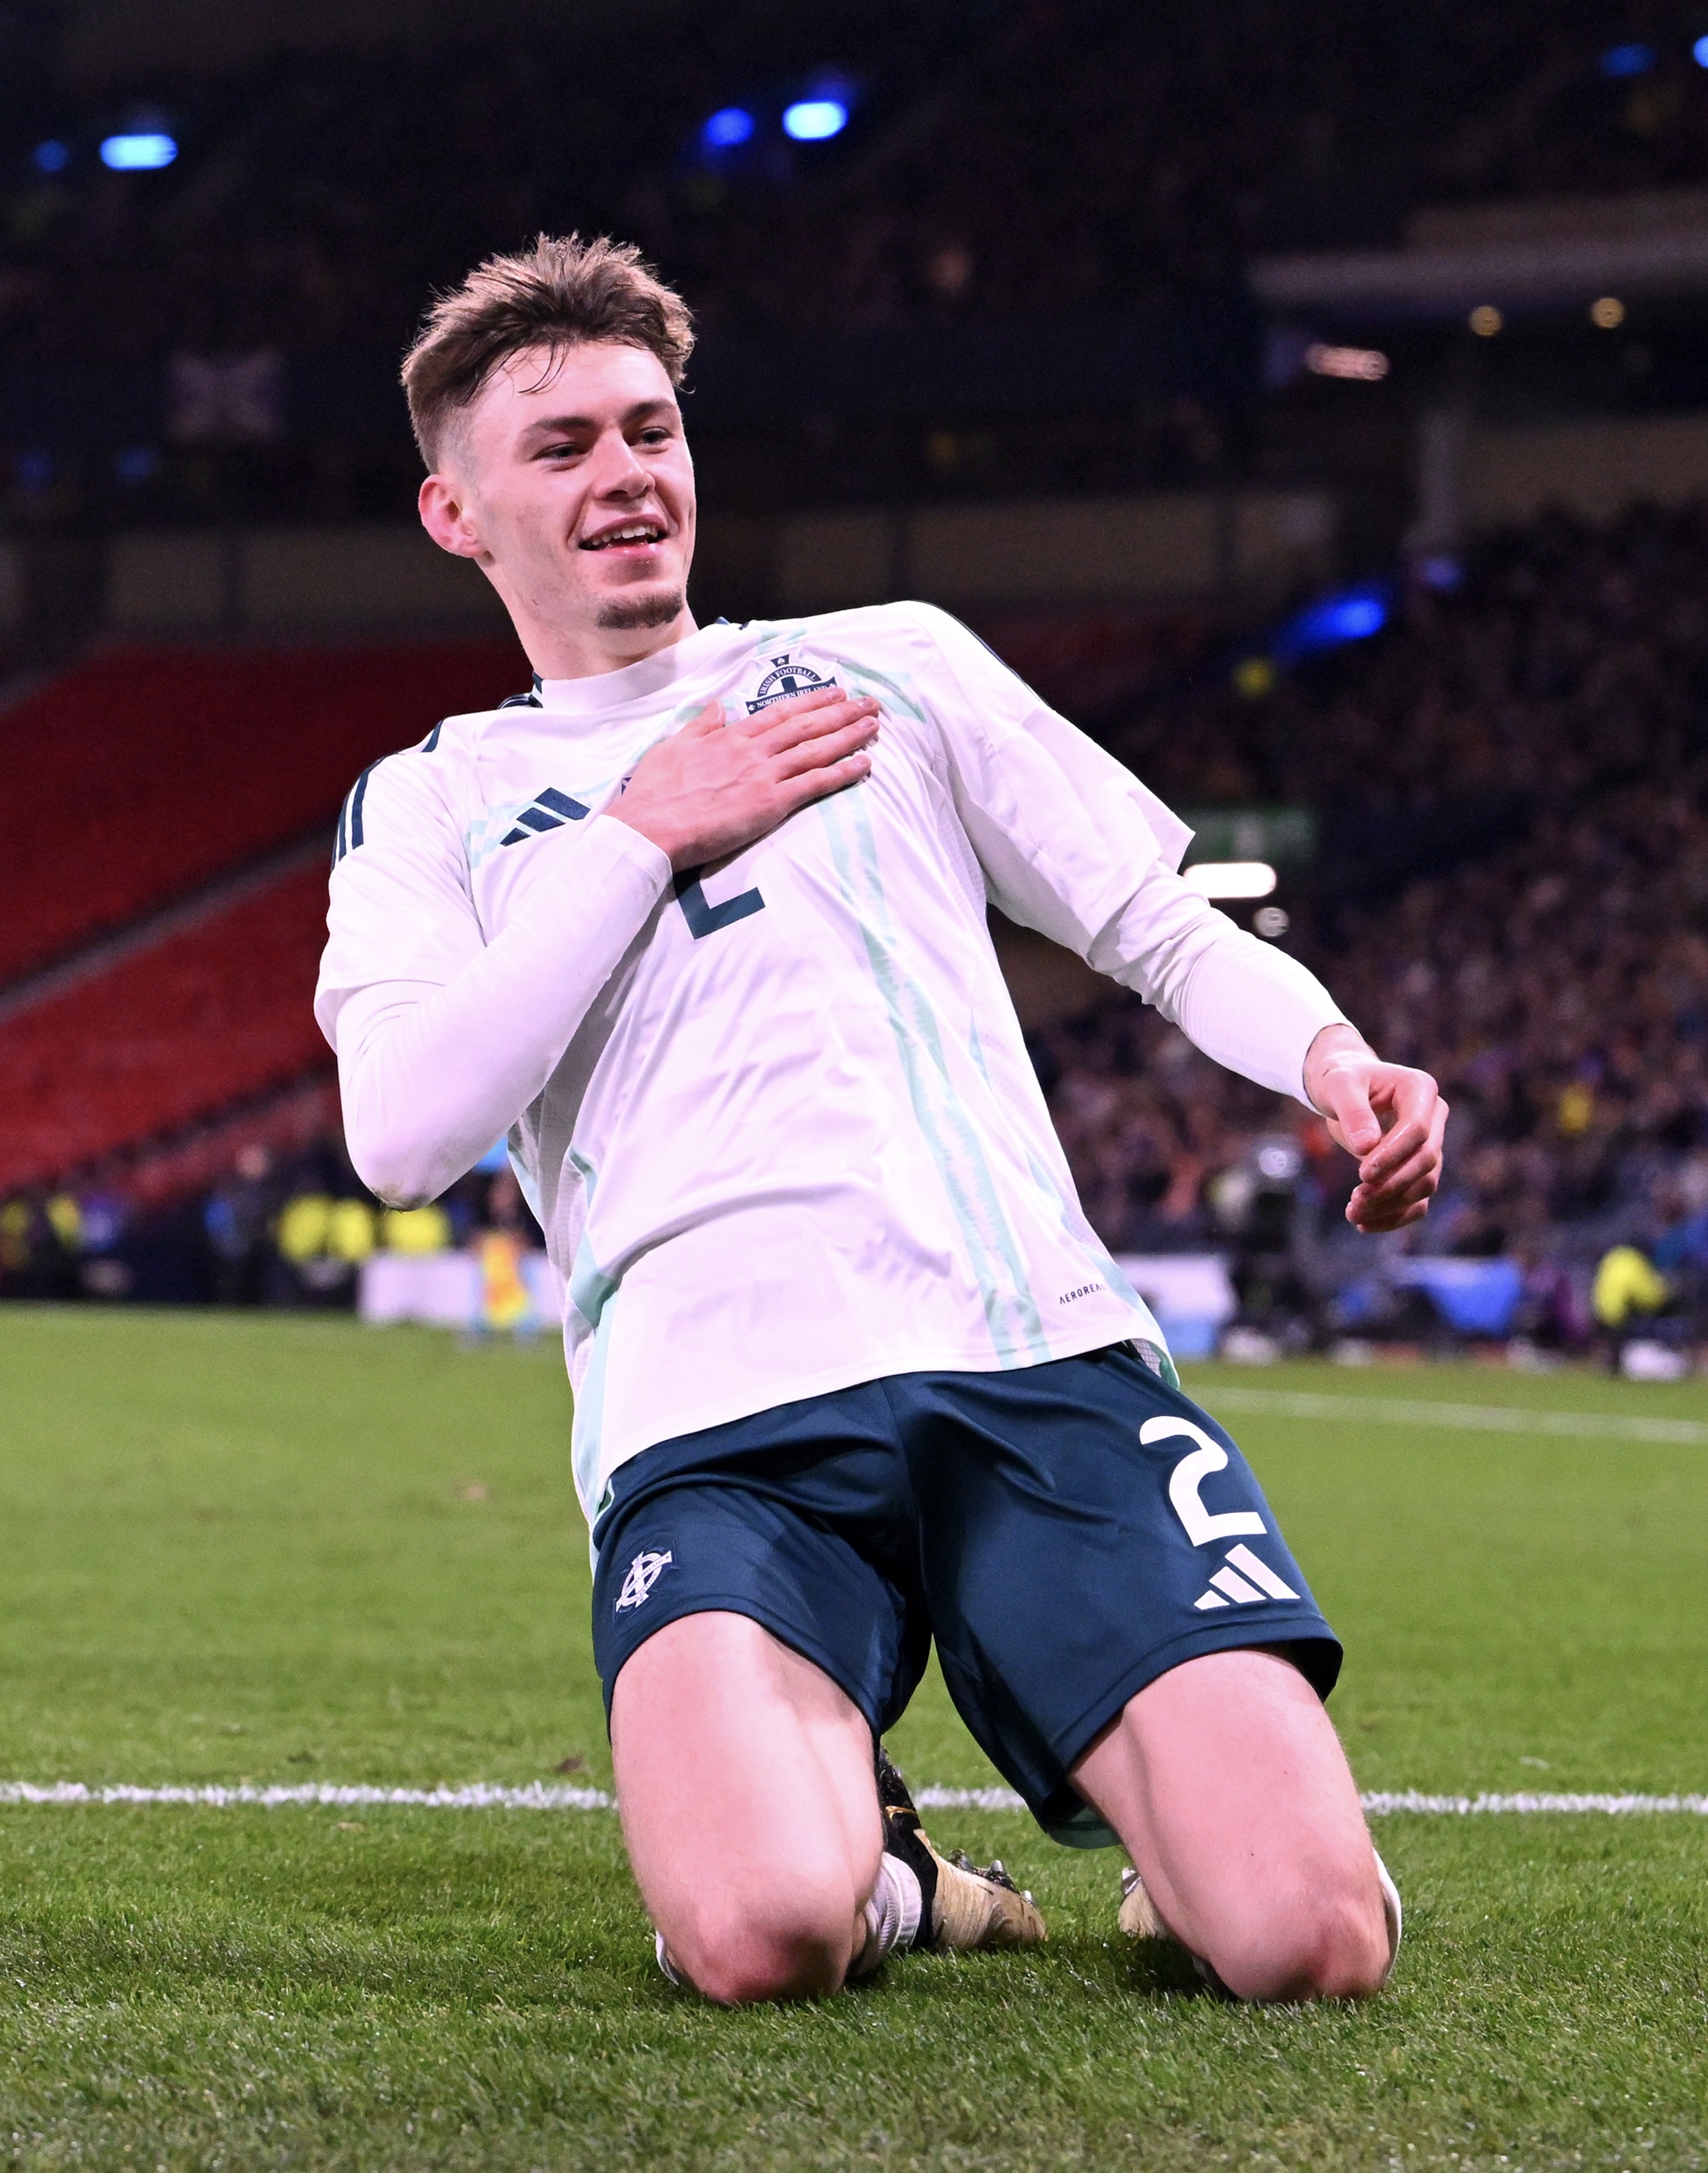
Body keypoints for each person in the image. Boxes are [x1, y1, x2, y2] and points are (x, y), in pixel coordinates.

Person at [316, 234, 1447, 2007]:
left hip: (1028, 1366)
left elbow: (1148, 920)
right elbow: (401, 1133)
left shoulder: (888, 665)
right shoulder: (432, 801)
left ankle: (1204, 1827)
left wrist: (1324, 1055)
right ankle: (900, 1874)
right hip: (714, 1428)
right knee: (762, 1935)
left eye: (648, 430)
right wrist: (636, 832)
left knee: (1305, 1943)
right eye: (560, 449)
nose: (623, 474)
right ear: (454, 513)